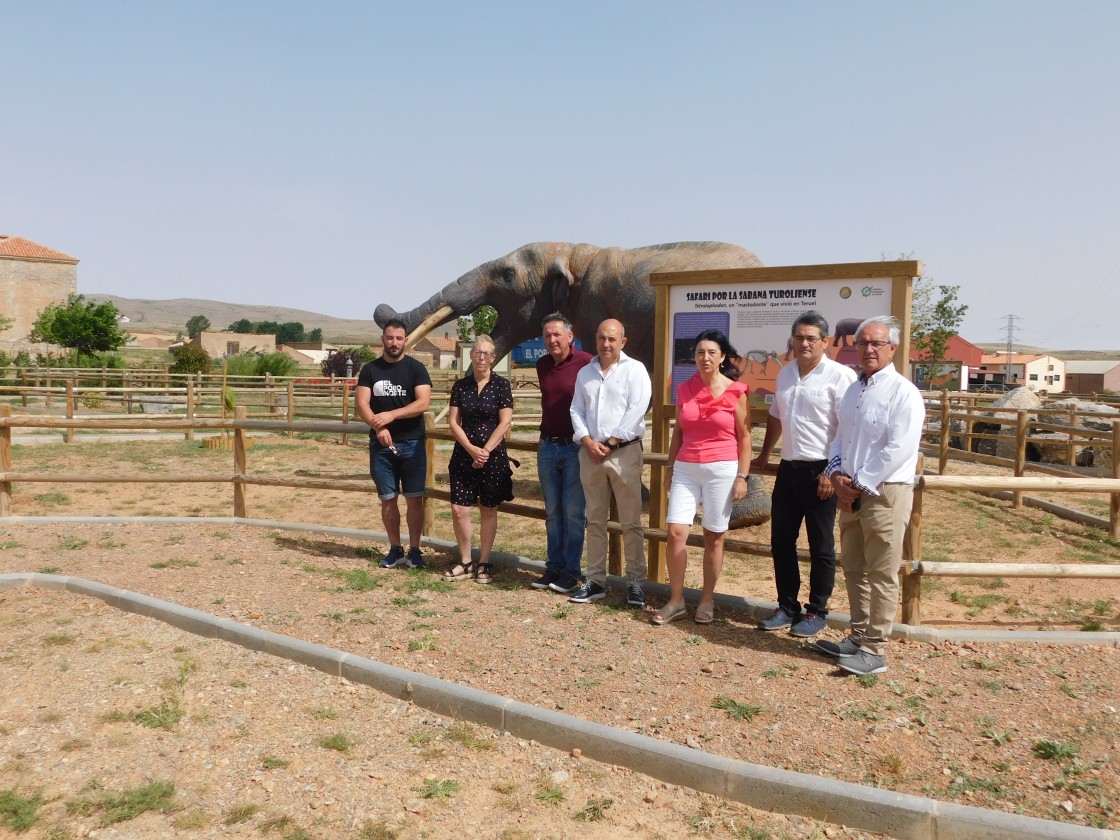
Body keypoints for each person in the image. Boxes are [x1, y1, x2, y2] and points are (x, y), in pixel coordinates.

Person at [821, 315, 925, 675]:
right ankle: (858, 636)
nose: (867, 349)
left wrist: (857, 484)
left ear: (892, 348)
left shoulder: (903, 393)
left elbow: (898, 448)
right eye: (862, 342)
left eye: (876, 343)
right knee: (853, 567)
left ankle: (875, 649)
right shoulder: (853, 389)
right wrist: (835, 475)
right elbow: (839, 436)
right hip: (850, 490)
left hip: (884, 492)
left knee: (881, 571)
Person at [753, 311, 857, 637]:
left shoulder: (840, 377)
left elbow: (848, 427)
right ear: (792, 341)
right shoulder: (785, 375)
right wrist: (765, 453)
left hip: (822, 472)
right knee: (781, 541)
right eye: (799, 337)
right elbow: (775, 417)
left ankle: (817, 611)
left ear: (825, 342)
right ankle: (787, 606)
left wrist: (833, 469)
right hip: (789, 467)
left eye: (812, 337)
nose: (805, 343)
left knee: (821, 546)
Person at [653, 330, 751, 625]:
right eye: (699, 352)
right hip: (686, 467)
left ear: (722, 357)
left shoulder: (737, 391)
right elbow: (679, 433)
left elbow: (745, 437)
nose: (704, 357)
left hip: (722, 469)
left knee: (714, 537)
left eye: (711, 352)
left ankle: (707, 600)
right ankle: (676, 600)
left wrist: (742, 476)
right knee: (675, 533)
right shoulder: (684, 389)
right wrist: (670, 468)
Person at [568, 319, 652, 607]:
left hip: (624, 453)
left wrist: (612, 442)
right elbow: (576, 409)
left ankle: (636, 583)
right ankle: (595, 581)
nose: (606, 344)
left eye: (612, 339)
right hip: (591, 454)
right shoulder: (585, 373)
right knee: (594, 520)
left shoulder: (635, 370)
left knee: (630, 521)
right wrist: (587, 441)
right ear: (596, 338)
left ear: (623, 342)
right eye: (602, 338)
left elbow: (637, 408)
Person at [355, 319, 433, 569]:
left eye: (399, 338)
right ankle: (395, 549)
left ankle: (415, 550)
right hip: (381, 447)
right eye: (390, 338)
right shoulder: (370, 370)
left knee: (414, 500)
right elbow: (362, 405)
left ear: (406, 340)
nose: (394, 343)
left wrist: (391, 416)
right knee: (388, 499)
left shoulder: (416, 369)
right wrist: (379, 427)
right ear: (383, 340)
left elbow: (423, 404)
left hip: (412, 444)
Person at [441, 335, 515, 585]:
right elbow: (453, 421)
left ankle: (484, 562)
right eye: (477, 352)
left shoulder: (502, 385)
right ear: (470, 355)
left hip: (492, 456)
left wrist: (485, 450)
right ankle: (465, 560)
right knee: (459, 509)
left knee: (488, 509)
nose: (481, 357)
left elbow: (505, 421)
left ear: (493, 358)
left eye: (486, 353)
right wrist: (472, 450)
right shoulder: (460, 386)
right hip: (464, 454)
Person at [533, 313, 594, 594]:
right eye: (547, 335)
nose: (552, 339)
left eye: (557, 334)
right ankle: (553, 567)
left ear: (570, 336)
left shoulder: (586, 362)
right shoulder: (542, 364)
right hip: (547, 446)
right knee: (553, 512)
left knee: (573, 512)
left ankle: (571, 571)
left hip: (574, 447)